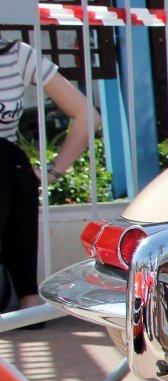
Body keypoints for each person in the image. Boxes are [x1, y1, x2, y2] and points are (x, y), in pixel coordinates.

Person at [0, 37, 101, 315]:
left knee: (9, 163)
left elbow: (87, 115)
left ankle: (25, 300)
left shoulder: (17, 55)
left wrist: (54, 171)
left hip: (6, 175)